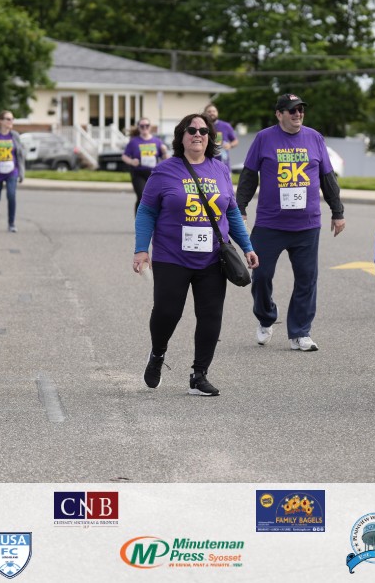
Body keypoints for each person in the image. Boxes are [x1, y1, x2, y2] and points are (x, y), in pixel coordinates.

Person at [133, 113, 259, 397]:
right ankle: (157, 354)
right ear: (181, 136)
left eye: (203, 131)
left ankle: (199, 375)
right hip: (171, 256)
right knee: (167, 312)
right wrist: (141, 249)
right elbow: (147, 211)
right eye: (191, 130)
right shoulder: (164, 171)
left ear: (210, 137)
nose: (197, 134)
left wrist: (247, 247)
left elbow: (231, 213)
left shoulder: (220, 170)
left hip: (212, 258)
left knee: (210, 315)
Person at [235, 93, 345, 352]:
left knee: (307, 279)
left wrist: (337, 211)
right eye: (292, 110)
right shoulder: (264, 138)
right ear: (279, 114)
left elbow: (327, 177)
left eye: (301, 110)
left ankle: (300, 332)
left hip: (307, 225)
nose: (298, 114)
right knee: (261, 275)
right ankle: (266, 317)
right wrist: (240, 208)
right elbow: (249, 176)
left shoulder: (314, 138)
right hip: (270, 224)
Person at [122, 118, 168, 215]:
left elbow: (166, 159)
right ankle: (139, 220)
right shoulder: (134, 141)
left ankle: (151, 219)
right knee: (142, 196)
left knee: (155, 198)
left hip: (153, 174)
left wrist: (164, 151)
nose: (144, 128)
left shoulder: (157, 141)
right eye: (142, 126)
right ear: (138, 127)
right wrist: (131, 161)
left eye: (147, 126)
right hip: (138, 173)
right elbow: (124, 156)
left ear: (150, 127)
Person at [204, 103, 239, 168]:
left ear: (217, 112)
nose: (212, 113)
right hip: (206, 164)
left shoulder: (226, 126)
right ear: (205, 113)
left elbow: (235, 141)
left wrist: (230, 145)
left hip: (223, 163)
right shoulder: (202, 126)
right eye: (209, 112)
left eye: (214, 111)